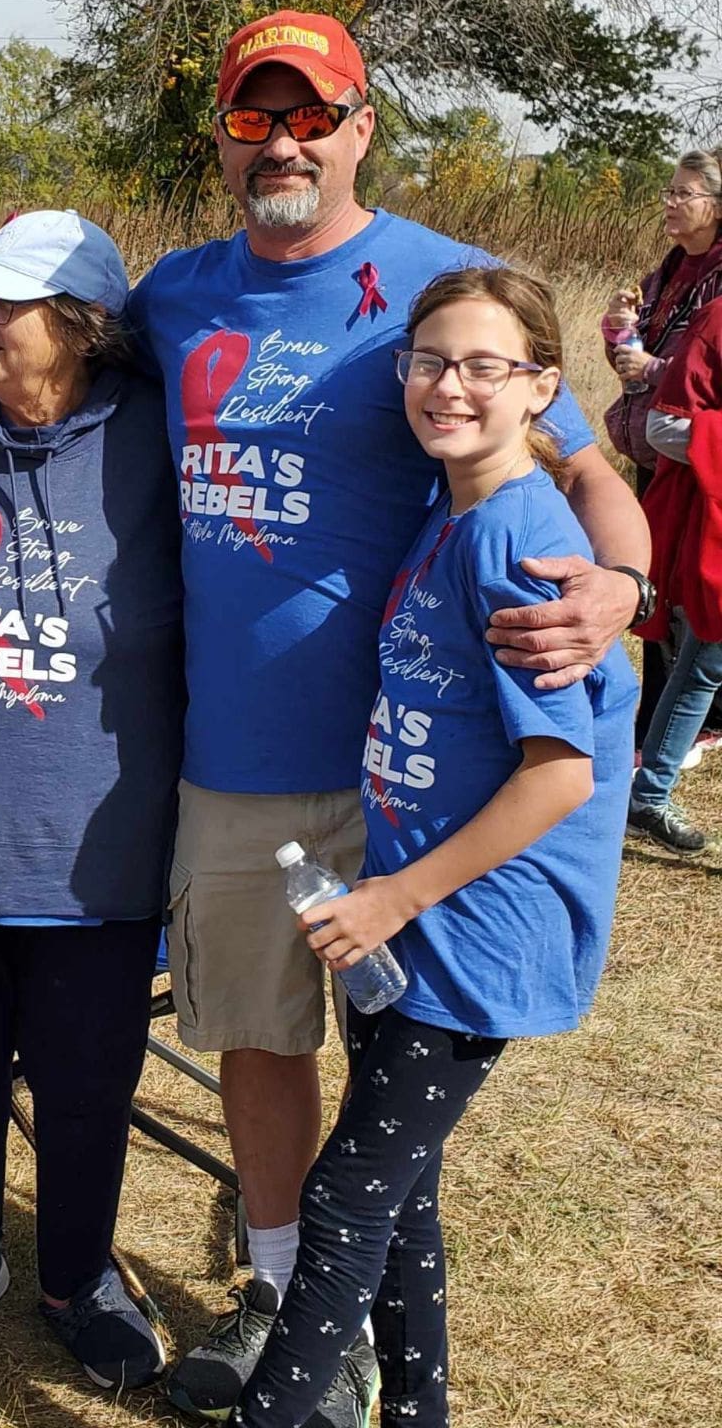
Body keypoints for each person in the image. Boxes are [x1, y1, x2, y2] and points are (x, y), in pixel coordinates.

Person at [124, 10, 651, 1426]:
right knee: (257, 1039)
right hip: (236, 757)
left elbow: (585, 470)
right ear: (225, 139)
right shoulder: (173, 296)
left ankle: (332, 1330)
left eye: (312, 115)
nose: (283, 142)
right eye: (254, 119)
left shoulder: (445, 295)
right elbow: (22, 372)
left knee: (384, 1100)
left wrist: (624, 582)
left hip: (405, 779)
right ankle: (286, 1294)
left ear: (361, 126)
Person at [225, 266, 634, 1428]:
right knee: (400, 1198)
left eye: (484, 366)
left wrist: (396, 895)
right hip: (408, 925)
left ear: (542, 385)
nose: (449, 386)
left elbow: (558, 773)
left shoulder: (517, 539)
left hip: (470, 930)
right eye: (430, 361)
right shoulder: (448, 506)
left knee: (349, 1202)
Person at [0, 210, 184, 1389]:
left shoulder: (159, 439)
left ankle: (74, 1272)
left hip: (99, 847)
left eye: (7, 304)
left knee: (81, 1089)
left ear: (84, 325)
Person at [601, 147, 722, 754]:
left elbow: (706, 375)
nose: (670, 205)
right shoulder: (670, 271)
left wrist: (653, 366)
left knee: (694, 592)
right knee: (658, 588)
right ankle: (663, 722)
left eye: (684, 194)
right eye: (668, 193)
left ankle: (690, 726)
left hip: (699, 462)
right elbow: (630, 361)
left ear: (717, 206)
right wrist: (619, 328)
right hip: (654, 452)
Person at [627, 264, 722, 853]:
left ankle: (650, 792)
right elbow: (665, 426)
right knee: (705, 660)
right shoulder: (717, 320)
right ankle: (650, 793)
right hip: (716, 520)